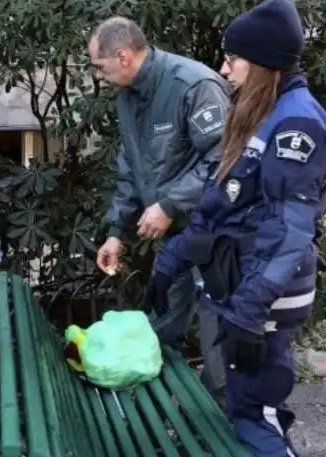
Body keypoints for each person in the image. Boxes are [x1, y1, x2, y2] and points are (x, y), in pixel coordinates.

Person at [146, 0, 325, 455]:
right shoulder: (260, 111)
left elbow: (290, 232)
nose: (223, 68)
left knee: (252, 411)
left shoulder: (296, 121)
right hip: (245, 285)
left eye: (233, 58)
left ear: (262, 62)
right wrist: (171, 261)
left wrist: (248, 310)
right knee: (249, 407)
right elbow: (221, 205)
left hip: (266, 293)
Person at [88, 17, 229, 397]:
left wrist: (168, 204)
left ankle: (224, 425)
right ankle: (161, 404)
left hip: (214, 230)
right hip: (176, 237)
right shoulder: (127, 97)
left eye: (99, 66)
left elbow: (222, 162)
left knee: (218, 328)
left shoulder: (194, 85)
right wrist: (116, 233)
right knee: (163, 313)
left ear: (123, 56)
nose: (97, 75)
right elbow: (132, 169)